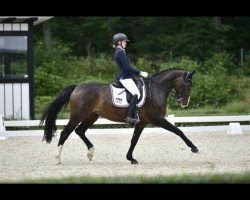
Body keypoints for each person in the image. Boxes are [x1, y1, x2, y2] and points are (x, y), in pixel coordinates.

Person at [112, 33, 148, 125]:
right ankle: (129, 116)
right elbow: (127, 68)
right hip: (125, 77)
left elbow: (127, 67)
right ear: (119, 42)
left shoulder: (120, 51)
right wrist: (140, 72)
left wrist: (135, 75)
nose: (126, 43)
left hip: (127, 76)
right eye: (124, 41)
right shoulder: (120, 52)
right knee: (136, 94)